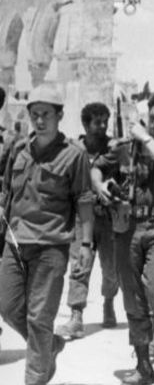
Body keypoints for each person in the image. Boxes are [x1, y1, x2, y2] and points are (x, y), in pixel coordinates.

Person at [0, 84, 95, 385]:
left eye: (46, 115)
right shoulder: (17, 148)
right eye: (35, 115)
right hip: (14, 242)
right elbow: (7, 193)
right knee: (7, 306)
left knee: (39, 318)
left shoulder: (74, 155)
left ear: (59, 116)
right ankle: (50, 346)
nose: (40, 121)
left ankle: (35, 379)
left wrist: (86, 244)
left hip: (51, 245)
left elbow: (83, 200)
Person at [95, 92, 154, 385]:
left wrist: (146, 138)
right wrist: (99, 185)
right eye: (151, 117)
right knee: (133, 297)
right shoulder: (127, 147)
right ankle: (143, 364)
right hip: (127, 226)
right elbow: (97, 166)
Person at [57, 102, 120, 341]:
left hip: (108, 217)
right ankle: (76, 315)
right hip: (82, 218)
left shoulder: (114, 149)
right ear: (85, 124)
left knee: (111, 268)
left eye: (106, 120)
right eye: (97, 121)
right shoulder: (73, 150)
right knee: (79, 265)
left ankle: (109, 302)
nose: (102, 126)